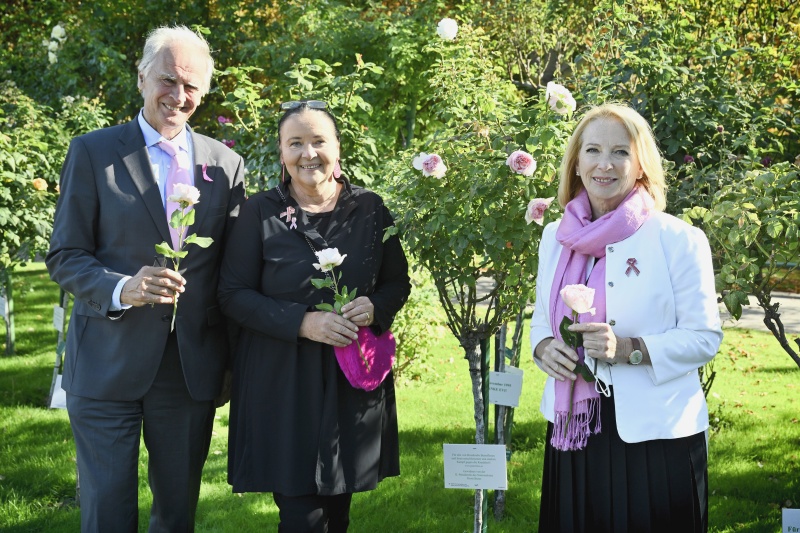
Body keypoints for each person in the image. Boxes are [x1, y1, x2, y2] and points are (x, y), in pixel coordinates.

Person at [46, 25, 246, 532]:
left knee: (176, 515)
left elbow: (234, 273)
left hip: (188, 368)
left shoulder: (226, 165)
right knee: (107, 511)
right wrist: (121, 287)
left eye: (192, 87)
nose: (179, 96)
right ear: (141, 78)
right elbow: (65, 255)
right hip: (105, 363)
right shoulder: (92, 153)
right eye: (168, 80)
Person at [217, 99, 410, 532]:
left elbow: (398, 282)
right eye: (296, 143)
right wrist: (304, 322)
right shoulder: (259, 213)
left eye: (319, 141)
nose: (309, 153)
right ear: (281, 153)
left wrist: (376, 307)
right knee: (303, 516)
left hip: (350, 383)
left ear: (337, 147)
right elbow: (232, 294)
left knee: (338, 512)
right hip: (283, 382)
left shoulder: (370, 210)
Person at [529, 103, 723, 532]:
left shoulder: (678, 239)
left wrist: (630, 349)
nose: (605, 164)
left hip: (659, 434)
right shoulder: (555, 238)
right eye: (593, 150)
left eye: (620, 152)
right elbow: (541, 321)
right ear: (576, 163)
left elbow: (704, 337)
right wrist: (544, 348)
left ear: (640, 166)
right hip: (575, 433)